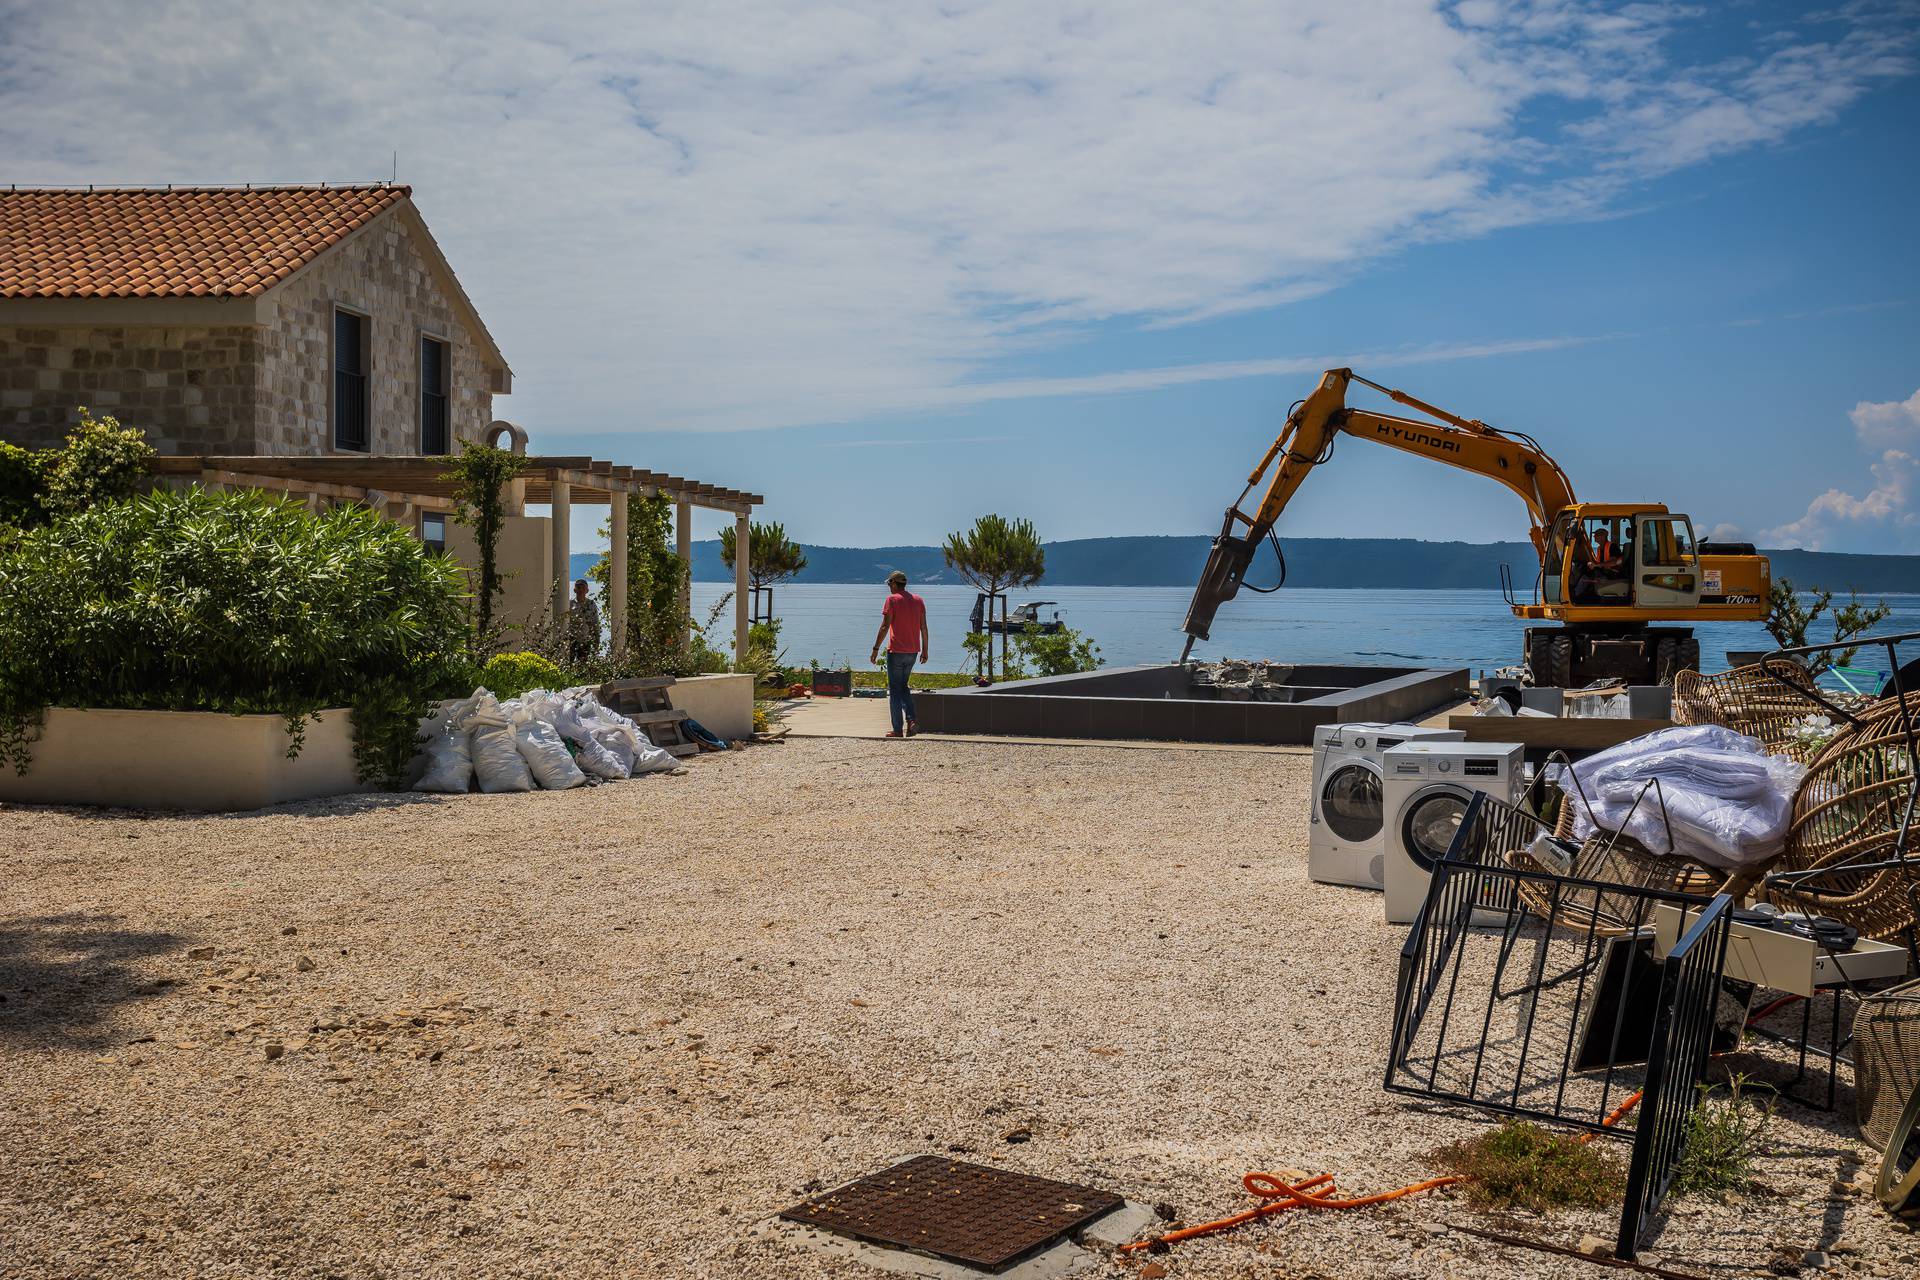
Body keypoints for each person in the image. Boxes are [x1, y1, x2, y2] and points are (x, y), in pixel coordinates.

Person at [870, 570, 929, 738]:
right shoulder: (918, 600)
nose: (889, 587)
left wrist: (875, 648)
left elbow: (884, 626)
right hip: (913, 651)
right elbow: (923, 627)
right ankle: (911, 720)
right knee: (903, 686)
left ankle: (897, 729)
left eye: (890, 584)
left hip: (896, 651)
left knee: (895, 691)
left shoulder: (892, 600)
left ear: (895, 584)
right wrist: (925, 649)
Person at [568, 578, 601, 663]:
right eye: (578, 587)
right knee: (568, 663)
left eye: (583, 588)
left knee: (583, 665)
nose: (581, 590)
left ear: (587, 590)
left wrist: (596, 641)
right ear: (574, 590)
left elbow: (595, 623)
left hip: (585, 640)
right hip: (571, 640)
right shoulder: (569, 604)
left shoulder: (591, 604)